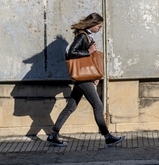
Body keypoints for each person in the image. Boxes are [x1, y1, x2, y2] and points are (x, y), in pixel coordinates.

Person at [47, 13, 125, 147]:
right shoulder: (82, 36)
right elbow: (71, 53)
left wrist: (95, 76)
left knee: (70, 106)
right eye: (99, 26)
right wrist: (88, 51)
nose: (100, 29)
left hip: (84, 77)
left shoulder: (88, 36)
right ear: (92, 24)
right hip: (82, 78)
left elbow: (89, 61)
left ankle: (53, 135)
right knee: (98, 105)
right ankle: (107, 137)